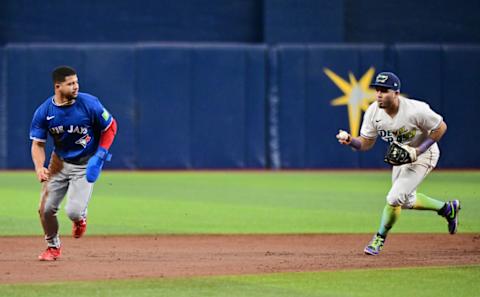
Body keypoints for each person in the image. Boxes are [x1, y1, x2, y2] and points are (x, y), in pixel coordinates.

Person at [336, 71, 460, 256]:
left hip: (424, 155)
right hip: (402, 155)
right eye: (377, 90)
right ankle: (447, 209)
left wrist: (419, 150)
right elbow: (366, 143)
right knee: (406, 201)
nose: (379, 94)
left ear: (396, 93)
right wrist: (350, 141)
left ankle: (379, 238)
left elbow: (441, 127)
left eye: (384, 90)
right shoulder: (373, 112)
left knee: (394, 198)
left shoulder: (416, 110)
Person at [30, 66, 118, 261]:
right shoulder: (44, 112)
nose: (76, 86)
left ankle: (80, 217)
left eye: (76, 82)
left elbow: (111, 126)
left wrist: (101, 154)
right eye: (70, 84)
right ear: (58, 86)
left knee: (73, 211)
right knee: (45, 209)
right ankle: (53, 247)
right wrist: (39, 166)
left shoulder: (89, 103)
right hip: (58, 163)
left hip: (86, 164)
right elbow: (37, 144)